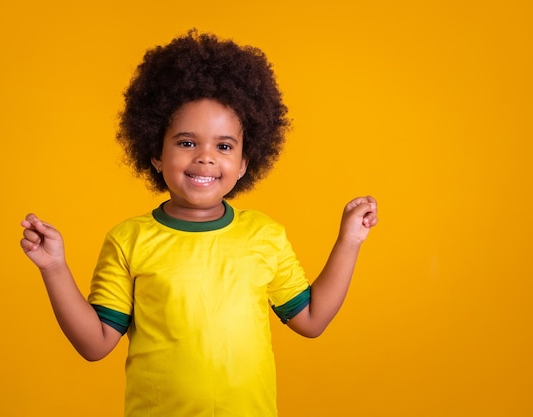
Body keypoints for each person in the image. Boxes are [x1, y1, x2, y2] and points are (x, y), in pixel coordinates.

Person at [20, 29, 378, 417]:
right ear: (156, 153)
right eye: (187, 142)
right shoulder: (129, 240)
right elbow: (95, 344)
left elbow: (311, 319)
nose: (205, 157)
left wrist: (349, 241)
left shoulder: (264, 235)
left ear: (244, 163)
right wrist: (54, 267)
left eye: (223, 146)